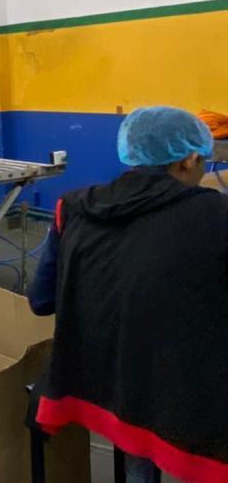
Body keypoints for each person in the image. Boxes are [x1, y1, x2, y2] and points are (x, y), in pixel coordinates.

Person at [28, 106, 228, 483]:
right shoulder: (217, 214)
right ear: (188, 160)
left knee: (139, 450)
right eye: (203, 162)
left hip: (106, 387)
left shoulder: (73, 207)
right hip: (186, 399)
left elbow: (41, 301)